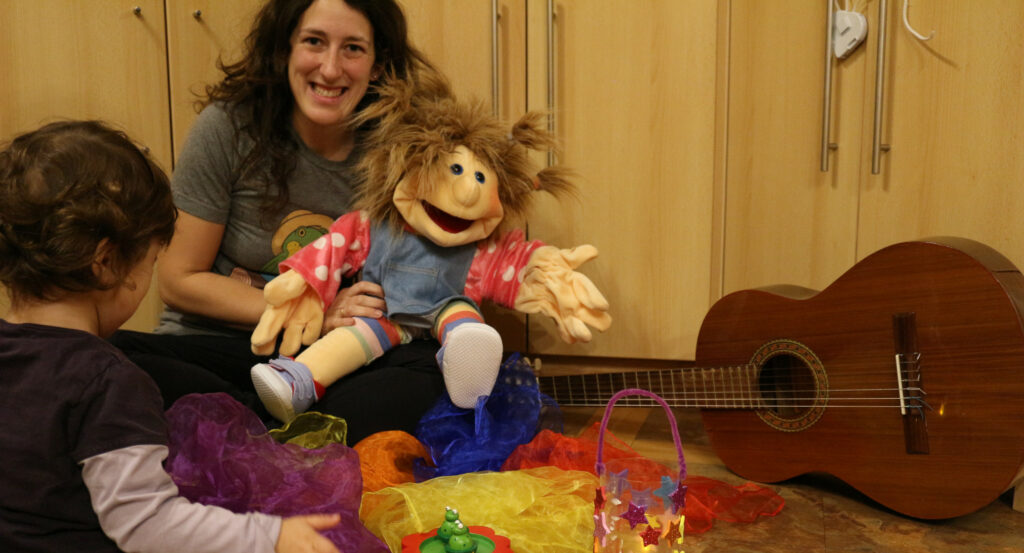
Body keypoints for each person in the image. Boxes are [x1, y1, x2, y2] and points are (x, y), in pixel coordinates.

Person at [109, 0, 446, 442]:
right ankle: (288, 431)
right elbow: (179, 279)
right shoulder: (227, 128)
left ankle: (246, 431)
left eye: (353, 49)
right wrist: (317, 311)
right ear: (284, 48)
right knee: (105, 357)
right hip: (222, 347)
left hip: (331, 360)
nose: (329, 69)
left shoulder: (401, 146)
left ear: (379, 65)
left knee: (434, 374)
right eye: (314, 42)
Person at [0, 120, 342, 553]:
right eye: (150, 261)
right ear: (105, 263)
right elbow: (146, 524)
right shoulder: (108, 381)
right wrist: (270, 535)